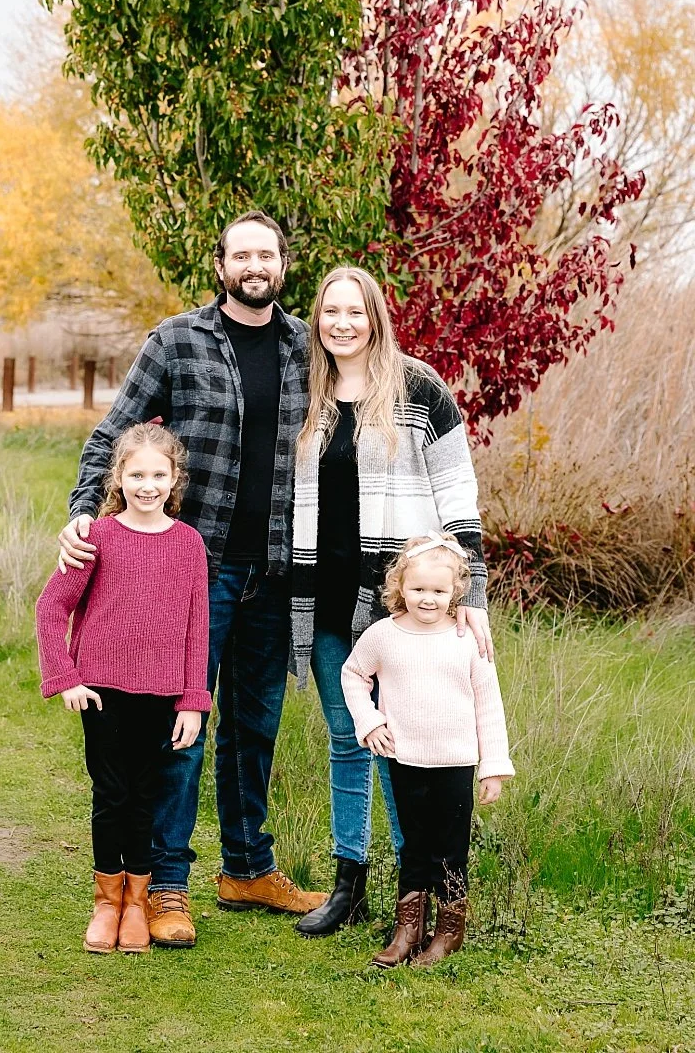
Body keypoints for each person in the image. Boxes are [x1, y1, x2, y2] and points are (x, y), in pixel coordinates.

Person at [57, 211, 323, 948]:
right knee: (183, 730)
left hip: (277, 570)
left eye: (266, 253)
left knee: (254, 730)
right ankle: (164, 887)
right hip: (190, 573)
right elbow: (113, 434)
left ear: (283, 263)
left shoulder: (309, 348)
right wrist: (84, 512)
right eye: (242, 253)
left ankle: (247, 868)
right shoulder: (177, 339)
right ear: (220, 265)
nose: (255, 264)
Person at [290, 266, 493, 937]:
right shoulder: (309, 394)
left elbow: (459, 495)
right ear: (317, 319)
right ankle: (350, 888)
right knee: (349, 742)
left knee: (406, 749)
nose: (341, 323)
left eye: (355, 311)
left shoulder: (419, 389)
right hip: (323, 597)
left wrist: (476, 594)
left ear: (375, 317)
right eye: (329, 312)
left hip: (401, 604)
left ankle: (422, 892)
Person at [36, 424, 210, 954]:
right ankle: (106, 904)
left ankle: (137, 904)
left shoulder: (188, 545)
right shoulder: (98, 537)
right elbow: (51, 607)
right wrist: (65, 676)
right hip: (102, 693)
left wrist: (193, 702)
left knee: (147, 799)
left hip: (160, 696)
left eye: (159, 474)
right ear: (119, 477)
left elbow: (196, 628)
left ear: (176, 478)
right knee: (112, 796)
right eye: (137, 474)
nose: (148, 485)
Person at [340, 534, 511, 968]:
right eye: (418, 589)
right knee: (413, 845)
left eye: (438, 591)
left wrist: (492, 766)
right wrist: (370, 721)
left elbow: (489, 702)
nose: (428, 599)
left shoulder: (466, 639)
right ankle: (408, 928)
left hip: (455, 762)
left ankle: (449, 931)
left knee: (451, 847)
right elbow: (354, 675)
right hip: (405, 758)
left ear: (456, 590)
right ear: (400, 587)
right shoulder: (384, 634)